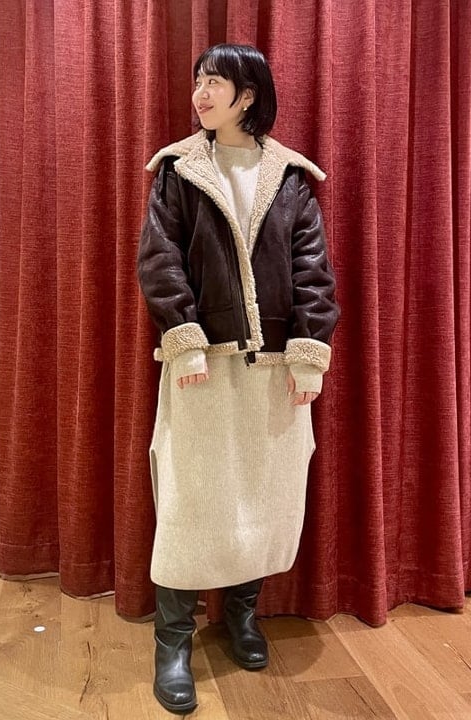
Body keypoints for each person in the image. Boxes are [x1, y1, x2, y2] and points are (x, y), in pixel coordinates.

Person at [137, 43, 339, 715]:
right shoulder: (178, 170)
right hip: (203, 365)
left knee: (264, 492)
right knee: (191, 498)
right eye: (197, 80)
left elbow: (313, 270)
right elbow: (160, 259)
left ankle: (241, 615)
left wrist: (309, 352)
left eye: (215, 82)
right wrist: (185, 341)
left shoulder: (291, 178)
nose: (200, 93)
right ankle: (172, 640)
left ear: (248, 95)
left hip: (276, 370)